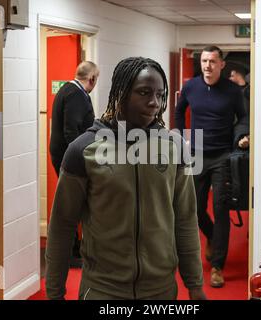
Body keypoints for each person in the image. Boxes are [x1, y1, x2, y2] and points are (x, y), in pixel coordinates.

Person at [45, 57, 206, 300]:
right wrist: (54, 292)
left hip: (160, 291)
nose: (154, 102)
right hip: (102, 290)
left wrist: (195, 286)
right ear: (120, 93)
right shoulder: (84, 149)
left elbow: (185, 219)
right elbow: (62, 225)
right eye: (144, 92)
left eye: (160, 94)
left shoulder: (174, 148)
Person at [175, 46, 249, 288]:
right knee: (194, 209)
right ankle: (212, 237)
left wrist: (242, 137)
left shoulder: (233, 91)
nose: (207, 65)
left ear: (221, 65)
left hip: (222, 157)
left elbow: (244, 118)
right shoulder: (191, 87)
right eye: (204, 61)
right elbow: (178, 111)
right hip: (196, 154)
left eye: (212, 61)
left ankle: (218, 266)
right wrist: (181, 138)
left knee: (221, 209)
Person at [49, 61, 99, 269]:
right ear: (92, 79)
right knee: (72, 205)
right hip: (70, 159)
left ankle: (75, 245)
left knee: (74, 204)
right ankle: (70, 250)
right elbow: (72, 132)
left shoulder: (68, 89)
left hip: (66, 155)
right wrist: (83, 160)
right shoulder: (76, 95)